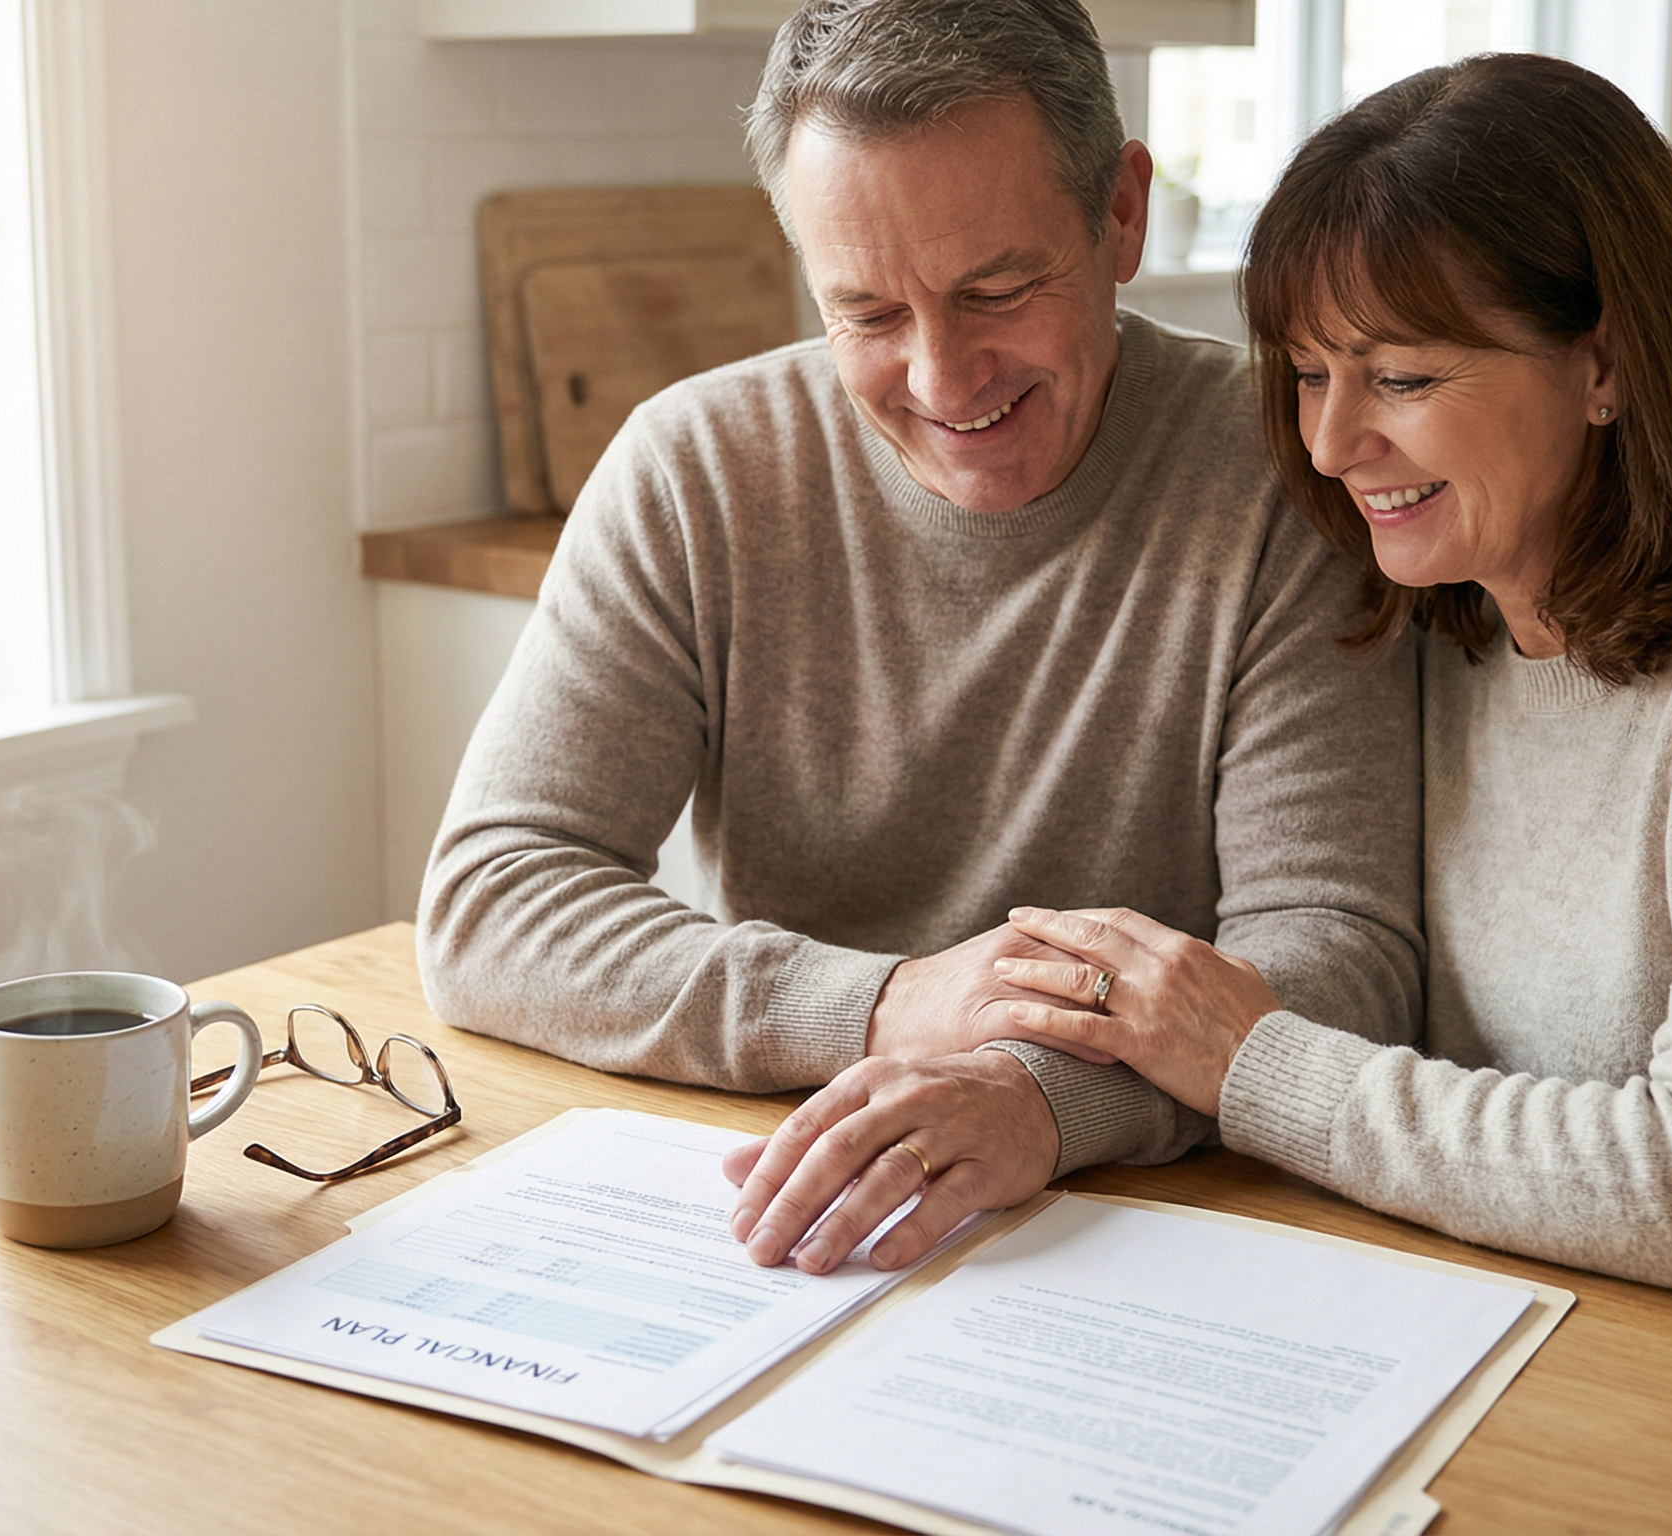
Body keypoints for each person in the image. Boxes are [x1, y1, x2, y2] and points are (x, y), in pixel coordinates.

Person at [743, 53, 1672, 1316]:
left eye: (1400, 375)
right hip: (1611, 1331)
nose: (1336, 442)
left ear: (1606, 361)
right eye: (1306, 374)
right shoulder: (1443, 617)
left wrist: (1251, 1062)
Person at [418, 0, 1422, 1276]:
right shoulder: (695, 468)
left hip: (1159, 1227)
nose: (945, 383)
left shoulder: (1286, 478)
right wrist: (886, 1008)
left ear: (1121, 214)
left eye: (996, 291)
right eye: (868, 314)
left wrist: (1042, 1101)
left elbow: (1340, 957)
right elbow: (492, 900)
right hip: (774, 1199)